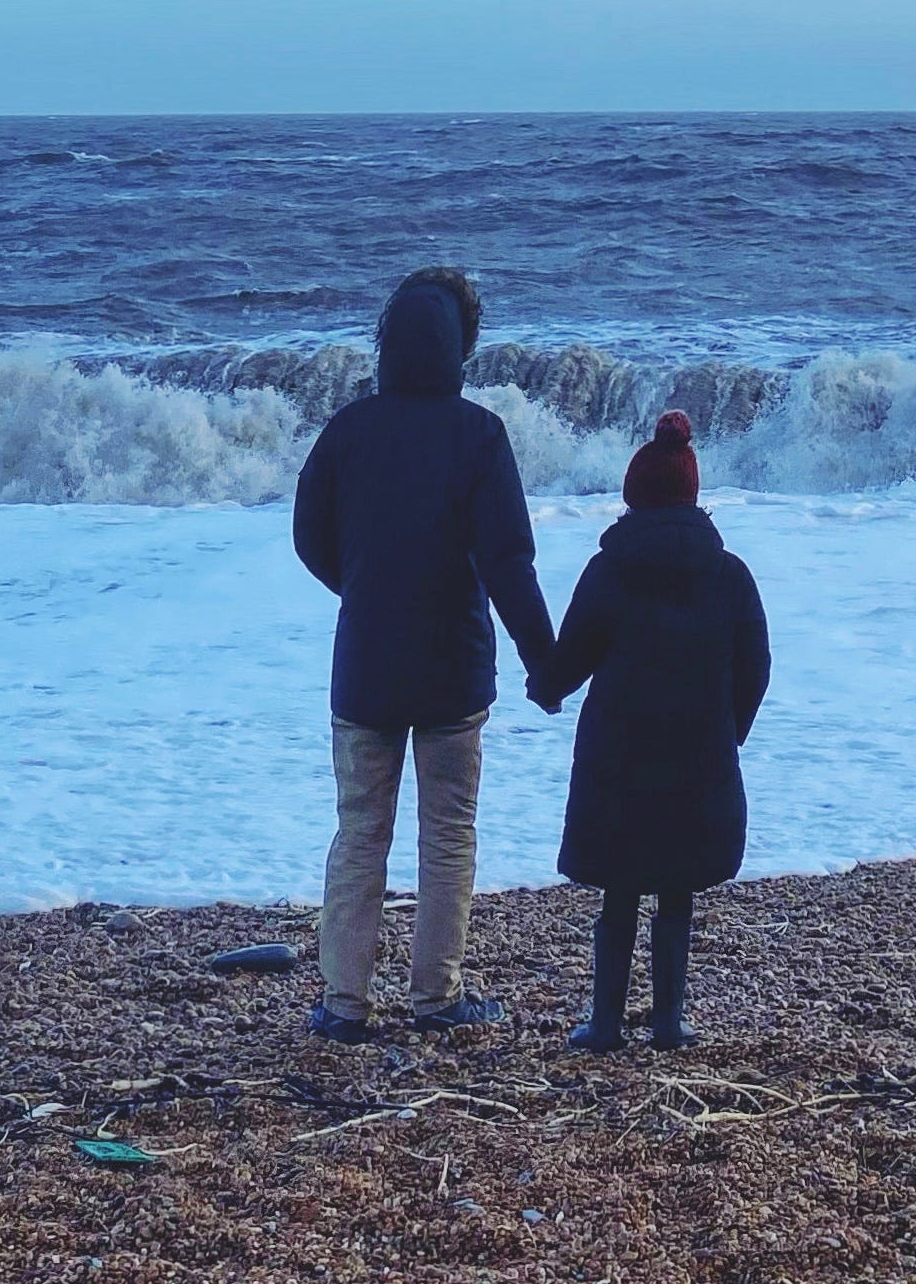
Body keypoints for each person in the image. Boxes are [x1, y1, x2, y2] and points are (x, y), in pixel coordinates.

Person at [291, 268, 555, 1045]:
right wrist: (545, 663)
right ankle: (436, 995)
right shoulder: (479, 435)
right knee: (446, 834)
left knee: (359, 833)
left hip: (365, 664)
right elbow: (508, 563)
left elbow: (309, 537)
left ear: (386, 346)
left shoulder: (348, 431)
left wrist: (361, 586)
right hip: (452, 667)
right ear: (458, 348)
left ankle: (343, 1002)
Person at [527, 411, 771, 1051]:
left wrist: (544, 688)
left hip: (618, 757)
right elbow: (756, 666)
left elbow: (573, 656)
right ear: (693, 494)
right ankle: (669, 1023)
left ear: (634, 495)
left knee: (620, 891)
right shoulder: (730, 574)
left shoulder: (610, 570)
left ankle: (605, 1024)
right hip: (699, 758)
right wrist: (729, 733)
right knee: (677, 890)